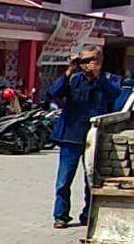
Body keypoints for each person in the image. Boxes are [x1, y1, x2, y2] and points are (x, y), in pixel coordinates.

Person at [45, 45, 122, 229]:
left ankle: (88, 214)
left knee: (91, 180)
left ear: (99, 62)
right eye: (83, 61)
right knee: (64, 180)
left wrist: (98, 77)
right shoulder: (73, 80)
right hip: (70, 137)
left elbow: (116, 98)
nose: (86, 65)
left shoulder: (110, 80)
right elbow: (53, 93)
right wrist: (69, 70)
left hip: (94, 137)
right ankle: (61, 216)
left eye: (90, 60)